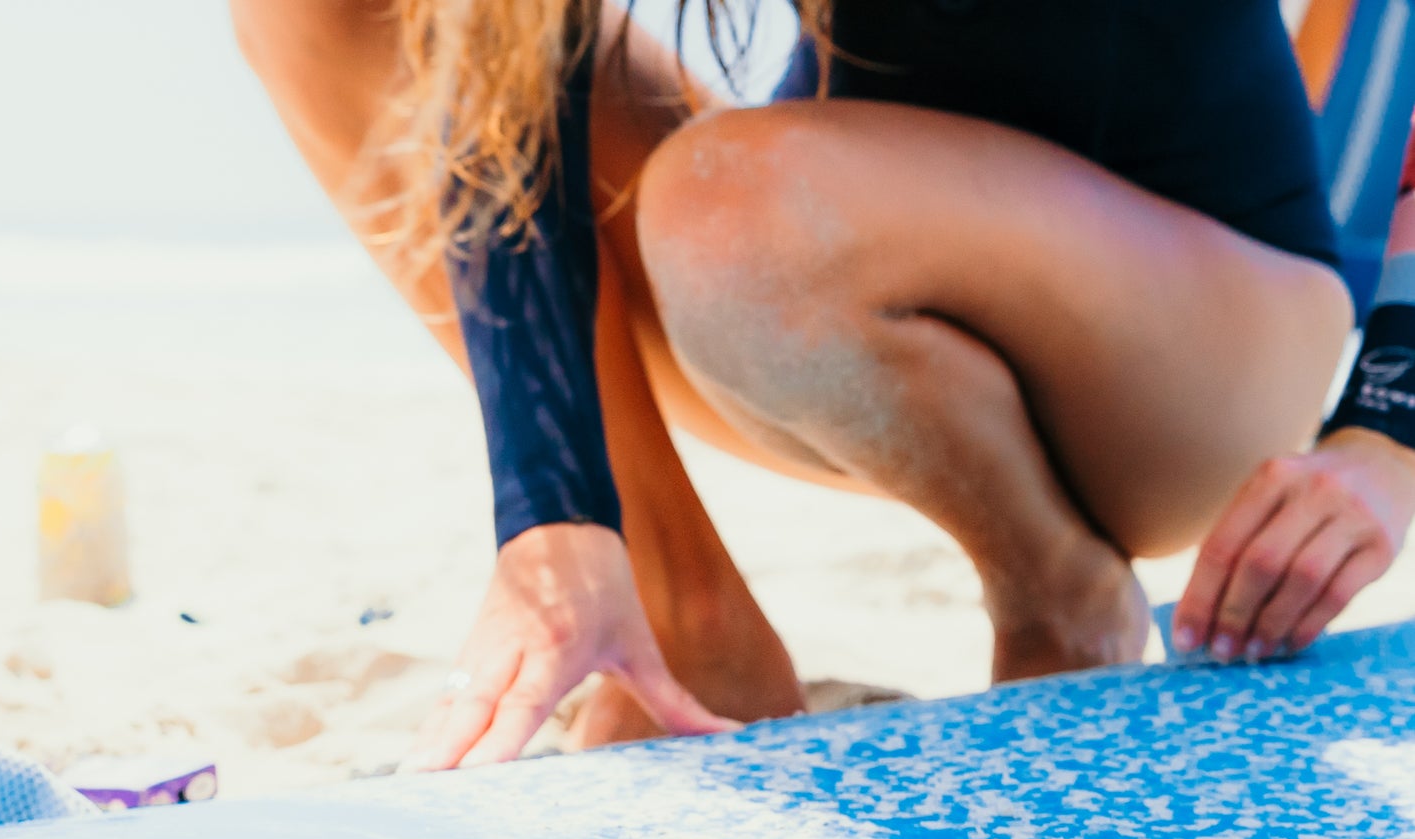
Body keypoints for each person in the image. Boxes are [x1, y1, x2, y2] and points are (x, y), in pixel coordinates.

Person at [231, 0, 1415, 771]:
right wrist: (556, 516)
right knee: (332, 14)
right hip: (840, 308)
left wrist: (1389, 420)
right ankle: (690, 621)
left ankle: (1055, 588)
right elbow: (502, 60)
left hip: (1204, 351)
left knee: (728, 205)